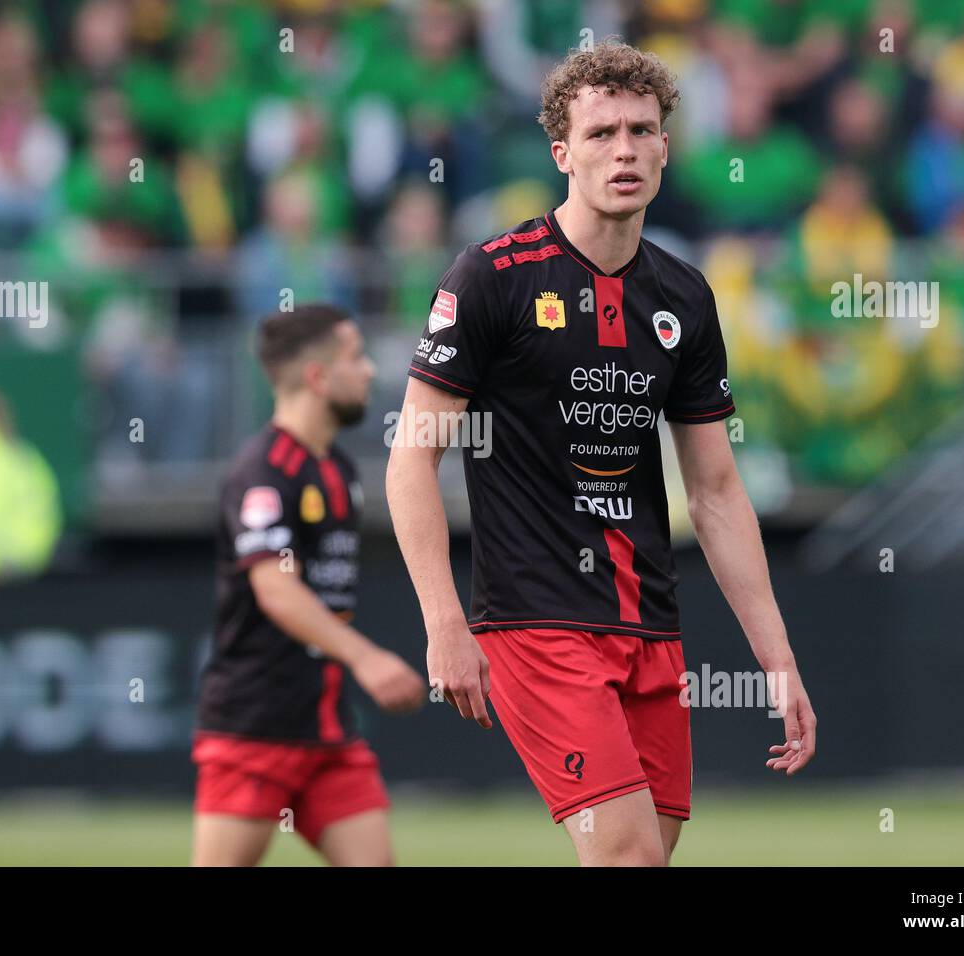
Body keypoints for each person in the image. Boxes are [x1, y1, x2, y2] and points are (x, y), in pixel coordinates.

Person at [386, 40, 817, 867]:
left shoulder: (685, 296)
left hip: (647, 620)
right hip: (535, 619)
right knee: (626, 855)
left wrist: (777, 659)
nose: (623, 149)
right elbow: (411, 460)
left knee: (641, 858)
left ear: (665, 146)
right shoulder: (492, 277)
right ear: (563, 154)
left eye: (641, 130)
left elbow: (718, 491)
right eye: (601, 133)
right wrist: (443, 623)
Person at [192, 303, 426, 866]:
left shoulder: (340, 470)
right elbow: (275, 590)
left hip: (326, 730)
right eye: (356, 358)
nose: (369, 370)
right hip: (254, 727)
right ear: (318, 377)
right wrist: (366, 658)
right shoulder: (263, 471)